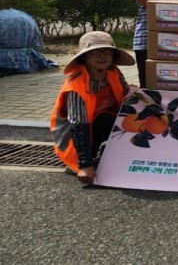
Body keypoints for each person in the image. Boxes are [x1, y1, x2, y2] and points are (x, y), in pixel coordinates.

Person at [49, 31, 135, 185]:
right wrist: (85, 165)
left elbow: (124, 96)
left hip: (99, 124)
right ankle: (84, 160)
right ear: (84, 57)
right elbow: (78, 127)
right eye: (95, 52)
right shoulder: (76, 86)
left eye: (107, 51)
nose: (102, 56)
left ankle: (110, 153)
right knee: (106, 120)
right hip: (75, 137)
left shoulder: (113, 71)